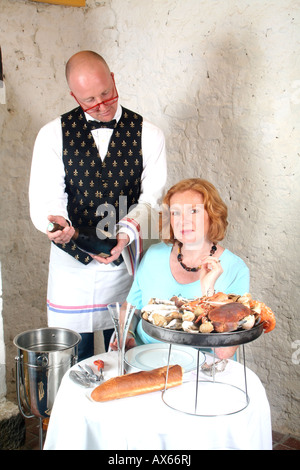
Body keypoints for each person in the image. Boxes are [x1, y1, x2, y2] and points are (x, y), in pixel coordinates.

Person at [29, 51, 167, 360]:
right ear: (73, 95)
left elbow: (152, 200)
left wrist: (125, 235)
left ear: (114, 79)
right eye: (90, 99)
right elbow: (47, 197)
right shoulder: (52, 135)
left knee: (128, 358)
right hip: (71, 271)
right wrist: (58, 227)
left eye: (106, 93)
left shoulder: (150, 135)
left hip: (126, 266)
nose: (102, 105)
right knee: (76, 362)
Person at [114, 178, 250, 359]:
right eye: (175, 213)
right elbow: (129, 308)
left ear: (212, 215)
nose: (182, 221)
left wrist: (208, 292)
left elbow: (224, 353)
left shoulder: (235, 269)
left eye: (193, 211)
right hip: (145, 359)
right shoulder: (153, 255)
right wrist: (126, 335)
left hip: (202, 371)